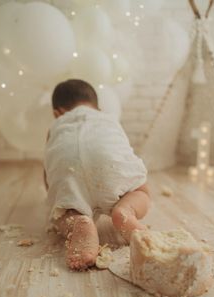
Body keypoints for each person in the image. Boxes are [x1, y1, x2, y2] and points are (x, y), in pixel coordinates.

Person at [44, 79, 150, 271]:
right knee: (141, 190)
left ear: (57, 113)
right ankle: (125, 211)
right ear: (97, 107)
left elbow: (49, 172)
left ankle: (78, 221)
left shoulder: (56, 126)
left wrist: (59, 201)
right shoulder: (108, 119)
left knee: (61, 212)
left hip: (69, 174)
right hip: (110, 169)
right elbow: (123, 148)